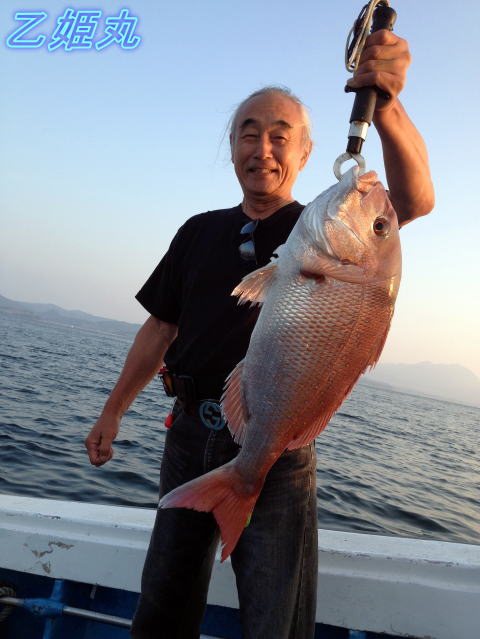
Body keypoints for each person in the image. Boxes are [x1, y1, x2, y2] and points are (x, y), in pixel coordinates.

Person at [85, 30, 434, 639]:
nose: (263, 148)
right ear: (232, 147)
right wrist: (112, 412)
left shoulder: (317, 227)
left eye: (280, 135)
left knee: (276, 623)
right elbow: (160, 327)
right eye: (249, 133)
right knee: (162, 609)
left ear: (306, 153)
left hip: (279, 456)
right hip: (187, 436)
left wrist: (388, 106)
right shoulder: (198, 231)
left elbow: (413, 199)